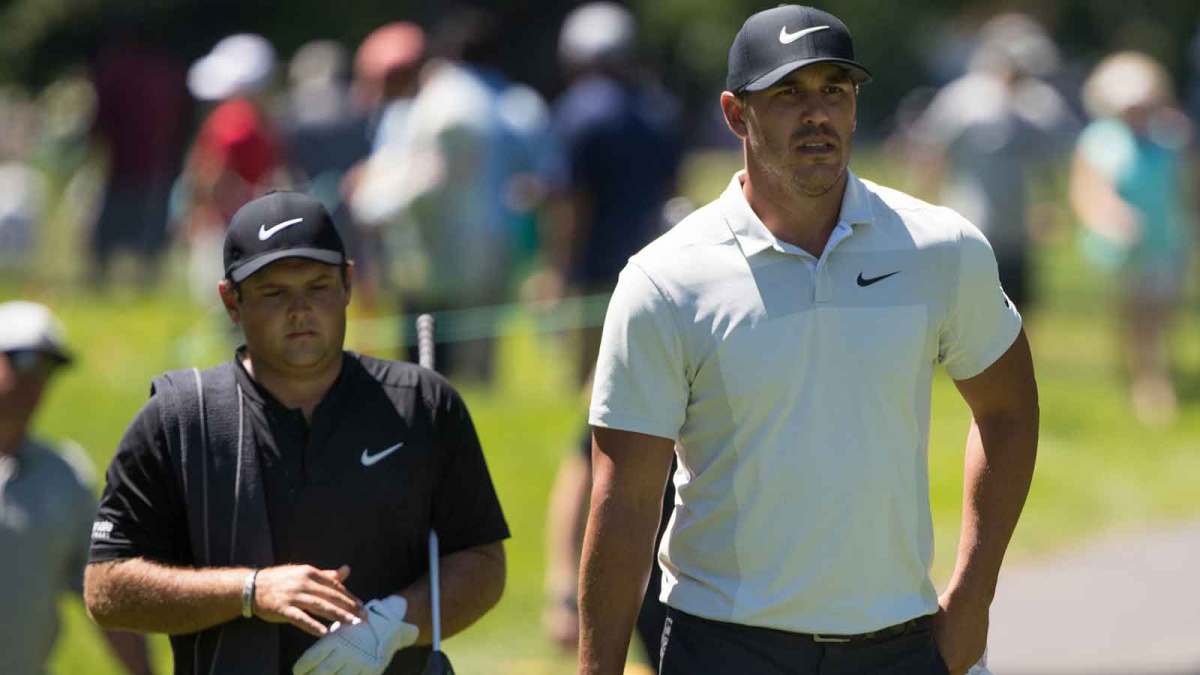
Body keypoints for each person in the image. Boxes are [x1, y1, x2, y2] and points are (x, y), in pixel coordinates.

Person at [579, 6, 1039, 675]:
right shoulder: (665, 280)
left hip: (899, 645)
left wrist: (973, 595)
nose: (817, 113)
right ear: (736, 115)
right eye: (788, 93)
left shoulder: (941, 248)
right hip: (725, 646)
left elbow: (1009, 410)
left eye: (835, 90)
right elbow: (623, 501)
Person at [83, 191, 509, 675]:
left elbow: (482, 561)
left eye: (318, 286)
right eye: (274, 292)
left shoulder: (423, 404)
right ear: (231, 301)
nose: (300, 309)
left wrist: (392, 624)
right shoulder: (180, 419)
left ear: (348, 283)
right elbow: (107, 588)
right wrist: (250, 592)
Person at [539, 2, 681, 668]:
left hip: (606, 284)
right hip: (670, 279)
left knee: (601, 424)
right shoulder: (655, 109)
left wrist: (558, 271)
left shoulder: (579, 112)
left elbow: (572, 200)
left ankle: (580, 566)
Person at [0, 301, 154, 675]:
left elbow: (105, 595)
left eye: (47, 367)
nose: (34, 380)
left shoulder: (63, 479)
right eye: (21, 362)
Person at [904, 13, 1077, 311]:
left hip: (1017, 225)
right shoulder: (965, 97)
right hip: (970, 221)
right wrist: (921, 206)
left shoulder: (1037, 102)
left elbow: (1053, 156)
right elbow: (930, 149)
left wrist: (1051, 202)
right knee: (969, 305)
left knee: (1017, 307)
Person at [1069, 51, 1196, 426]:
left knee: (1159, 313)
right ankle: (1148, 382)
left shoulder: (1173, 135)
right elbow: (1087, 191)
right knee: (1135, 314)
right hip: (1119, 245)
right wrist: (1109, 217)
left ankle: (1150, 376)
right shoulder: (1099, 140)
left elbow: (1188, 186)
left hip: (1169, 240)